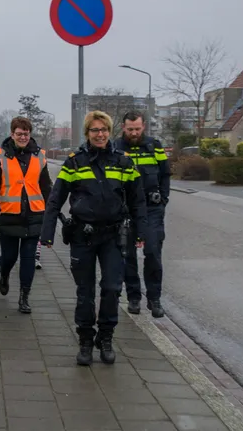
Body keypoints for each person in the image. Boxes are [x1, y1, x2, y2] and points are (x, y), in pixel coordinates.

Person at [41, 111, 147, 366]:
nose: (100, 134)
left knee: (112, 288)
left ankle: (106, 337)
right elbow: (56, 199)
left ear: (110, 132)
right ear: (87, 133)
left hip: (113, 236)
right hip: (83, 236)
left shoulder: (123, 162)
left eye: (104, 130)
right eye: (94, 130)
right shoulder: (74, 162)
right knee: (85, 293)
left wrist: (141, 232)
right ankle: (86, 340)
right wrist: (46, 233)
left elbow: (138, 201)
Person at [0, 116, 53, 313]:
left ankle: (25, 296)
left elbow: (45, 185)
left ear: (30, 134)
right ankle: (5, 274)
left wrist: (52, 209)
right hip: (8, 213)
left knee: (28, 257)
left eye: (26, 134)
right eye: (19, 134)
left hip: (34, 214)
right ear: (12, 134)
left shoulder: (40, 156)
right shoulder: (0, 155)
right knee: (9, 256)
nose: (23, 137)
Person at [116, 112, 171, 318]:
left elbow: (165, 174)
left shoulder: (154, 146)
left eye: (137, 129)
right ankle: (134, 297)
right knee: (127, 254)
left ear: (143, 127)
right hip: (127, 209)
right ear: (123, 127)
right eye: (130, 129)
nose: (134, 133)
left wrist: (163, 199)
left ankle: (154, 299)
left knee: (153, 252)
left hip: (152, 208)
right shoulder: (116, 148)